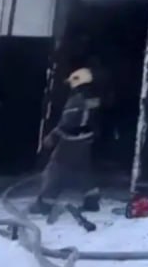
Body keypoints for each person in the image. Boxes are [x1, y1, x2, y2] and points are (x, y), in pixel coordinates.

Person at [30, 67, 102, 214]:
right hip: (86, 141)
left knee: (55, 170)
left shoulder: (76, 100)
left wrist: (53, 136)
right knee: (82, 170)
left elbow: (68, 123)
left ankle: (44, 204)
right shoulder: (93, 99)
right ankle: (92, 200)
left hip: (71, 141)